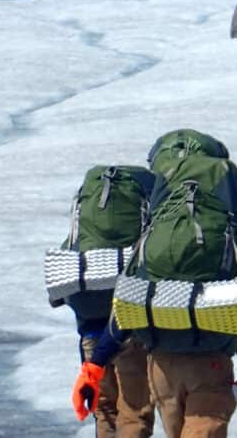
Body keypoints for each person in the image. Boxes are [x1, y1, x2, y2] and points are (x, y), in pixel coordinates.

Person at [72, 131, 237, 438]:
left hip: (161, 367)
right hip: (209, 364)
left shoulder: (158, 219)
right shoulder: (225, 219)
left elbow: (129, 297)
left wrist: (96, 363)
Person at [50, 165, 158, 438]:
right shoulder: (145, 230)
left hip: (90, 330)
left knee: (105, 409)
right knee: (135, 412)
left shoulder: (81, 234)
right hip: (130, 329)